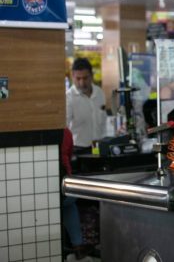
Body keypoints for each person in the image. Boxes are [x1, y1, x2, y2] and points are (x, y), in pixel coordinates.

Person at [61, 128, 94, 260]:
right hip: (63, 186)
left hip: (48, 188)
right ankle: (78, 246)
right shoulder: (66, 133)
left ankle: (76, 246)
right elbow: (68, 156)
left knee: (68, 204)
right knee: (70, 201)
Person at [66, 58, 107, 155]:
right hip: (78, 149)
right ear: (72, 77)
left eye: (85, 78)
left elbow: (104, 119)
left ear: (92, 76)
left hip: (99, 146)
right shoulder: (68, 98)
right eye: (78, 78)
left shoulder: (99, 93)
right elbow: (65, 127)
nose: (82, 83)